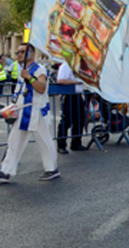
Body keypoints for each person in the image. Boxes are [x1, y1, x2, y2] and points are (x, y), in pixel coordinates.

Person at [0, 43, 59, 184]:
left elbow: (42, 88)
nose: (18, 54)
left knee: (44, 141)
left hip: (35, 112)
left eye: (22, 52)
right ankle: (6, 171)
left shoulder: (39, 69)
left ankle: (52, 169)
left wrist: (30, 78)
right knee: (14, 142)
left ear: (31, 54)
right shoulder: (22, 69)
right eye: (17, 51)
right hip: (22, 110)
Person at [56, 61, 88, 154]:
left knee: (79, 120)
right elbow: (60, 80)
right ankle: (61, 145)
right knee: (67, 121)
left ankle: (76, 143)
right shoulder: (66, 66)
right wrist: (76, 82)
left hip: (77, 94)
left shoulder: (78, 66)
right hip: (69, 95)